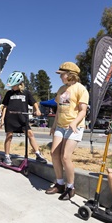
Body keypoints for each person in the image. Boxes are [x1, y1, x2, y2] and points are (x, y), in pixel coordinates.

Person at [45, 62, 89, 200]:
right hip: (60, 126)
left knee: (65, 157)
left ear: (70, 75)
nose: (60, 77)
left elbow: (83, 111)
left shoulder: (81, 89)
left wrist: (74, 122)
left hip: (75, 127)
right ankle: (59, 184)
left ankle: (71, 187)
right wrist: (53, 126)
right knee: (54, 153)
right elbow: (59, 108)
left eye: (62, 74)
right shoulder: (61, 89)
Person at [0, 71, 47, 165]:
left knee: (30, 134)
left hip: (22, 118)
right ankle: (7, 156)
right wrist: (2, 117)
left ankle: (37, 153)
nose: (12, 87)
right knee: (9, 136)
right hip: (10, 118)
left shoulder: (26, 93)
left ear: (19, 84)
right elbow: (5, 106)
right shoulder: (9, 93)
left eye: (14, 85)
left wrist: (37, 110)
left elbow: (34, 102)